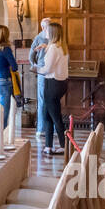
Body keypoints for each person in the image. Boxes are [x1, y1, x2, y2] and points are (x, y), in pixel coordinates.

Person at [37, 23, 70, 155]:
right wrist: (45, 47)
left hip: (52, 83)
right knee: (47, 115)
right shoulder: (61, 47)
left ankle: (64, 145)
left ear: (52, 33)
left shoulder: (53, 48)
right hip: (60, 84)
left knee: (55, 117)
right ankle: (48, 146)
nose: (45, 32)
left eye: (47, 30)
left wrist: (36, 69)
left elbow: (47, 69)